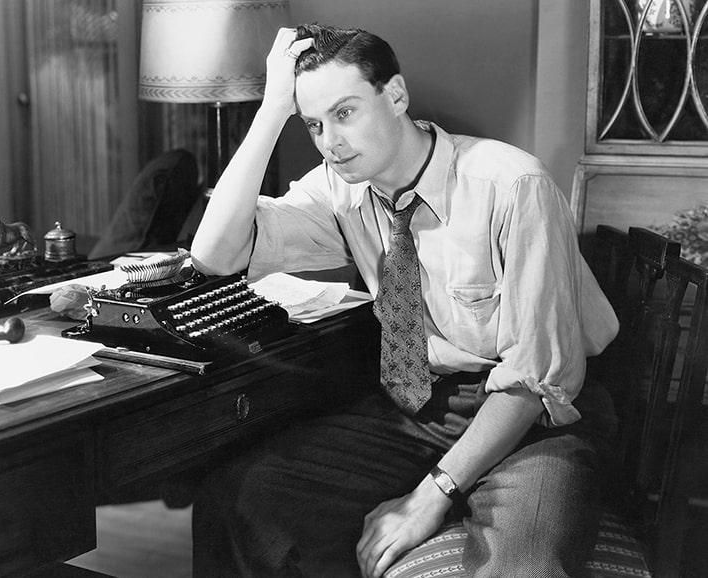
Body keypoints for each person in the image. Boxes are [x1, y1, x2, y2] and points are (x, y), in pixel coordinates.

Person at [189, 23, 619, 578]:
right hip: (423, 411)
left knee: (522, 567)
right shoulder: (340, 188)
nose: (330, 142)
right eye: (313, 124)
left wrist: (430, 495)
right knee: (238, 499)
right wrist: (272, 110)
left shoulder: (513, 185)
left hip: (536, 419)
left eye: (345, 113)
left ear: (395, 95)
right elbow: (215, 255)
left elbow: (535, 378)